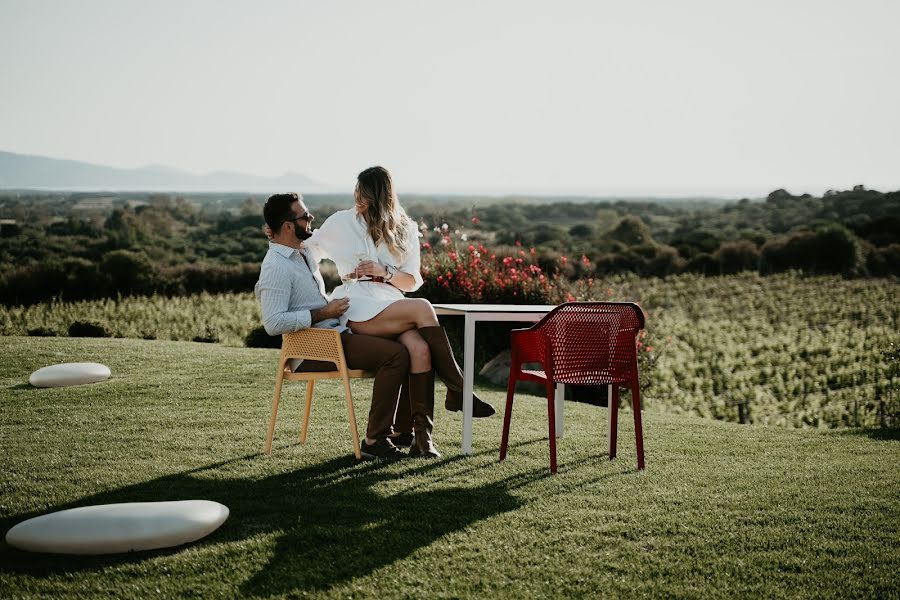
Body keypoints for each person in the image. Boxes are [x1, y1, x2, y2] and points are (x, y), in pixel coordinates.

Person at [304, 166, 496, 458]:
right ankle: (459, 389)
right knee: (423, 308)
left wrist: (386, 271)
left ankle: (422, 439)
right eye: (357, 193)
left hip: (390, 302)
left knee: (420, 349)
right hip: (356, 303)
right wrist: (280, 239)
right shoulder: (341, 222)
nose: (358, 199)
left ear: (381, 196)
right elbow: (309, 248)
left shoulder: (405, 228)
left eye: (365, 195)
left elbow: (411, 281)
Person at [255, 192, 409, 461]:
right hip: (313, 349)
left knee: (406, 340)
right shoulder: (276, 266)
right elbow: (273, 323)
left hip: (335, 334)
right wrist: (324, 311)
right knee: (396, 355)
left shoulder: (302, 253)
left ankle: (404, 432)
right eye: (305, 216)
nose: (311, 218)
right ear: (289, 226)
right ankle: (376, 439)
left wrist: (348, 286)